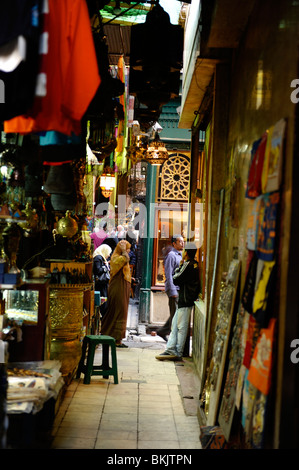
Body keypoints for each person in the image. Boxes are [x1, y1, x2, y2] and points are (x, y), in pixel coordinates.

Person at [156, 244, 200, 361]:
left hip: (185, 299)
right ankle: (171, 349)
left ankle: (178, 351)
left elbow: (176, 278)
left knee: (180, 326)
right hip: (186, 299)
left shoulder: (188, 264)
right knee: (176, 324)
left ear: (186, 253)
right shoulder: (194, 265)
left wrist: (179, 266)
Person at [100, 239, 131, 347]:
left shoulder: (121, 257)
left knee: (122, 311)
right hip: (118, 287)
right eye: (127, 248)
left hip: (123, 286)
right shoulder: (116, 258)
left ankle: (118, 339)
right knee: (118, 310)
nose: (128, 251)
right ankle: (110, 335)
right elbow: (126, 258)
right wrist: (123, 251)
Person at [156, 235, 184, 341]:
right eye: (180, 242)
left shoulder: (180, 255)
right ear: (174, 243)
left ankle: (163, 331)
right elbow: (168, 274)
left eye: (183, 241)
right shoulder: (171, 255)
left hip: (179, 288)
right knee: (175, 314)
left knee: (176, 313)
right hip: (174, 288)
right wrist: (172, 290)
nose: (182, 243)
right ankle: (172, 338)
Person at [93, 243, 112, 318]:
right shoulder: (98, 258)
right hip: (100, 283)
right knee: (103, 300)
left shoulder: (100, 258)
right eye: (108, 253)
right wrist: (105, 267)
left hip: (102, 283)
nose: (109, 255)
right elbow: (98, 270)